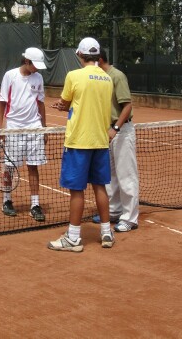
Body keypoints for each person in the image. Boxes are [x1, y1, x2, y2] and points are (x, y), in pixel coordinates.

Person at [48, 37, 114, 252]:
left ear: (80, 55)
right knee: (100, 187)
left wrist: (61, 106)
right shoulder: (107, 78)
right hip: (100, 141)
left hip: (78, 141)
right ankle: (106, 232)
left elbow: (66, 102)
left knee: (76, 191)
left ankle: (74, 238)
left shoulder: (73, 76)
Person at [0, 47, 48, 222]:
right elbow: (2, 103)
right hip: (14, 126)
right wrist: (0, 128)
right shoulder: (10, 76)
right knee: (9, 166)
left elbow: (40, 104)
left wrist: (44, 127)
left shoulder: (39, 77)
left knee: (33, 166)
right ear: (26, 61)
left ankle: (35, 204)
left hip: (34, 127)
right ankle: (7, 200)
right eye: (35, 65)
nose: (38, 68)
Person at [94, 49, 139, 233]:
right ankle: (114, 211)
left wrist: (116, 128)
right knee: (110, 175)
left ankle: (130, 218)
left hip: (121, 130)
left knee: (126, 175)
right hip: (107, 131)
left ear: (100, 60)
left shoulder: (117, 76)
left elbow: (127, 105)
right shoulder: (100, 78)